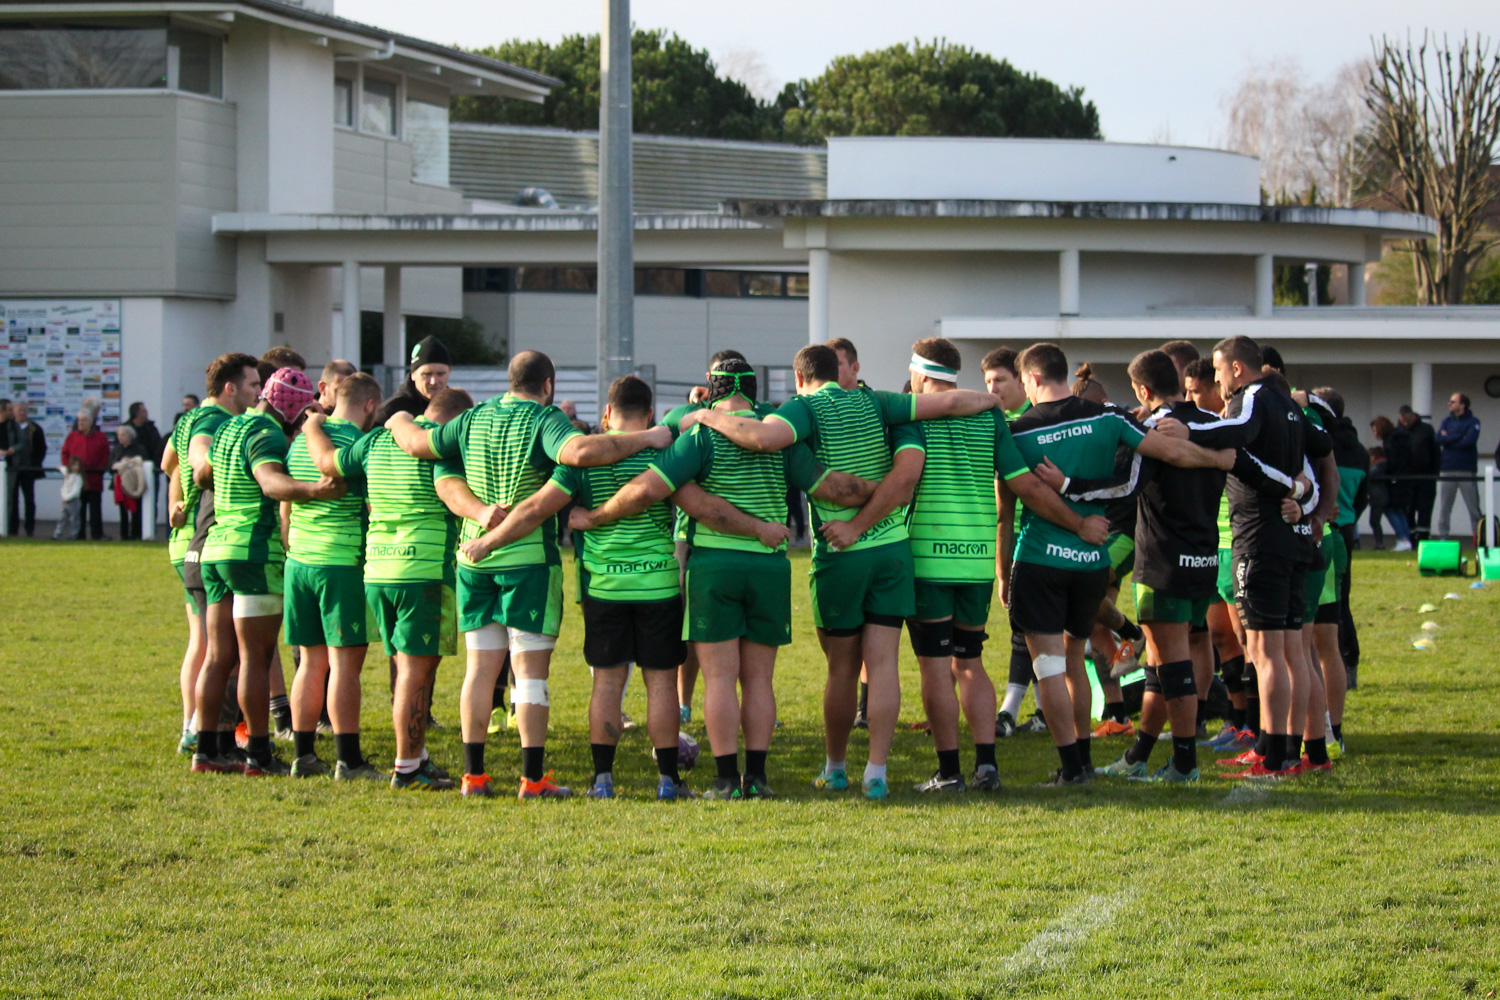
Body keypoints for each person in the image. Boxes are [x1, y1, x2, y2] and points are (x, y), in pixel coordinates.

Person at [688, 344, 1004, 800]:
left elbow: (762, 439)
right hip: (894, 550)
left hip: (841, 552)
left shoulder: (803, 407)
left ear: (800, 379)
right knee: (883, 665)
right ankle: (877, 773)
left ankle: (836, 768)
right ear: (841, 371)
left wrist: (706, 417)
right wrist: (994, 398)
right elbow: (954, 400)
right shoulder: (877, 400)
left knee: (842, 669)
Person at [569, 358, 874, 799]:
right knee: (759, 680)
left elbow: (649, 490)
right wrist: (883, 490)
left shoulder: (700, 434)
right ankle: (759, 778)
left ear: (710, 390)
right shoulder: (778, 434)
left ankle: (727, 779)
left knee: (717, 679)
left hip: (714, 567)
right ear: (753, 389)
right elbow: (831, 487)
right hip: (769, 567)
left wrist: (595, 516)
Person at [387, 350, 673, 799]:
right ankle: (532, 779)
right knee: (530, 675)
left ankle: (474, 776)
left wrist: (398, 419)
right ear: (548, 386)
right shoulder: (544, 419)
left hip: (473, 563)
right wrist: (650, 437)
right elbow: (578, 452)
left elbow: (419, 446)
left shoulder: (472, 418)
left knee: (480, 671)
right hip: (526, 564)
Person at [460, 376, 726, 800]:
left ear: (606, 414)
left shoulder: (583, 462)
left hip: (604, 588)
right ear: (650, 415)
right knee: (660, 683)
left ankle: (602, 780)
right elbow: (698, 504)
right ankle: (667, 781)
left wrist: (488, 539)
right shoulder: (665, 452)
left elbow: (534, 508)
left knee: (606, 682)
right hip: (657, 586)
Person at [865, 338, 1111, 793]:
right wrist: (1079, 524)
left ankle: (948, 773)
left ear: (919, 374)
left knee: (936, 668)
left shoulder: (909, 415)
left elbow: (901, 480)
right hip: (976, 560)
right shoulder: (989, 415)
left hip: (928, 558)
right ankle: (986, 767)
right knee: (970, 663)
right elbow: (1028, 488)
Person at [1002, 342, 1231, 786]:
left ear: (1030, 379)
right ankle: (1120, 754)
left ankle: (1093, 765)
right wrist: (1221, 458)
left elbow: (1015, 505)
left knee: (1066, 664)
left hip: (1076, 557)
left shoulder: (1020, 431)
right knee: (1091, 653)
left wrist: (1002, 570)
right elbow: (1183, 453)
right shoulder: (1122, 418)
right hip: (1138, 559)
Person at [1176, 336, 1332, 779]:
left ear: (1237, 369)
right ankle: (1283, 749)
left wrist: (1188, 430)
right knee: (1289, 653)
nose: (1219, 380)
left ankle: (1275, 755)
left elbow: (1237, 433)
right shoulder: (1287, 403)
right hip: (1293, 539)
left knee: (1266, 654)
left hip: (1261, 540)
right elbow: (1321, 443)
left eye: (1220, 371)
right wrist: (1302, 493)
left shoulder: (1254, 397)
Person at [303, 388, 472, 791]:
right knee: (416, 672)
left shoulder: (375, 440)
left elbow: (326, 462)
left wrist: (311, 424)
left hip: (378, 568)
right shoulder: (444, 444)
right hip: (424, 569)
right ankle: (408, 767)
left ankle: (419, 757)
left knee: (408, 668)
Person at [1085, 351, 1230, 783]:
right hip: (1204, 554)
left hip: (1164, 559)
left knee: (1170, 665)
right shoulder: (1208, 421)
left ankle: (1185, 762)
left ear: (1143, 391)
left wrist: (1068, 486)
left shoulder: (1152, 429)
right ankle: (1140, 754)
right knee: (1160, 663)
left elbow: (1122, 484)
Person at [190, 367, 342, 777]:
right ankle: (259, 754)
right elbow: (271, 482)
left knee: (219, 655)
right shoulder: (268, 435)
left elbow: (201, 474)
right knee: (254, 658)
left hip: (215, 548)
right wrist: (315, 489)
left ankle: (206, 751)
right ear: (291, 412)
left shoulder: (230, 427)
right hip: (253, 552)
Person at [659, 348, 773, 727]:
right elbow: (673, 420)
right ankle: (683, 701)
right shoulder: (693, 418)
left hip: (728, 547)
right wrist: (702, 409)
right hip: (692, 538)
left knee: (725, 642)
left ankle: (743, 707)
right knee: (691, 630)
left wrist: (708, 413)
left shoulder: (751, 418)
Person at [280, 372, 383, 779]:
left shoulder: (300, 444)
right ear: (371, 405)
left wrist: (294, 547)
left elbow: (287, 506)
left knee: (310, 663)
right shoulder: (359, 446)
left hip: (299, 562)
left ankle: (303, 755)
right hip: (340, 564)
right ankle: (349, 760)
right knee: (344, 666)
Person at [161, 354, 255, 755]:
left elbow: (168, 462)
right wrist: (203, 476)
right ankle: (198, 728)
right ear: (230, 388)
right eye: (252, 384)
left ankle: (194, 727)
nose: (257, 392)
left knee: (203, 641)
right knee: (210, 644)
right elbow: (194, 461)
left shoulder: (190, 417)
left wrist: (177, 497)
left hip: (186, 536)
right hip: (203, 537)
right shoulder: (214, 422)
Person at [60, 400, 110, 540]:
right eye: (79, 420)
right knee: (78, 509)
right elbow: (65, 453)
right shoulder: (72, 437)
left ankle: (97, 534)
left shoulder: (100, 437)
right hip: (77, 480)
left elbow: (105, 454)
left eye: (83, 420)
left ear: (90, 421)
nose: (80, 423)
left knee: (95, 508)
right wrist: (70, 469)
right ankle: (78, 533)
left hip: (94, 478)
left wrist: (100, 468)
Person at [1435, 392, 1482, 541]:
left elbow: (1469, 441)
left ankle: (1478, 537)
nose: (1449, 404)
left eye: (1453, 401)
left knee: (1473, 506)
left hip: (1466, 469)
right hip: (1447, 468)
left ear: (1462, 405)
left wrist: (1449, 439)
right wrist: (1457, 436)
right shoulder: (1446, 422)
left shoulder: (1473, 421)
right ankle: (1443, 536)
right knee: (1445, 507)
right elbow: (1439, 439)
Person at [375, 335, 451, 424]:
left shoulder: (458, 408)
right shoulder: (392, 411)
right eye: (427, 374)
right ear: (413, 374)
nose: (434, 381)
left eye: (440, 374)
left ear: (449, 372)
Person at [1371, 416, 1413, 551]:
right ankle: (1406, 538)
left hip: (1395, 479)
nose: (1375, 433)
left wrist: (1384, 470)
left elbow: (1393, 462)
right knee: (1400, 510)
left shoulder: (1390, 442)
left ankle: (1403, 539)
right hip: (1405, 478)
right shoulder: (1402, 437)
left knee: (1391, 509)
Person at [5, 401, 46, 537]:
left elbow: (41, 449)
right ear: (13, 412)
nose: (22, 413)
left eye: (24, 410)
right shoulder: (7, 427)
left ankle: (30, 529)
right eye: (19, 410)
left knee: (29, 499)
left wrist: (35, 464)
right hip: (12, 469)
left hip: (28, 469)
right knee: (12, 500)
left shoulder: (35, 428)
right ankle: (12, 529)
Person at [1400, 405, 1440, 542]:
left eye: (1408, 420)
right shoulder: (1399, 431)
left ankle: (1423, 537)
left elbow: (1436, 452)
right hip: (1406, 479)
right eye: (1403, 421)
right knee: (1408, 509)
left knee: (1424, 509)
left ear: (1413, 416)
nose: (1406, 424)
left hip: (1426, 477)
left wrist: (1435, 474)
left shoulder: (1426, 430)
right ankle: (1411, 537)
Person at [108, 424, 148, 540]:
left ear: (131, 436)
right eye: (119, 435)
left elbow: (143, 463)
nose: (120, 437)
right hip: (120, 484)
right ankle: (124, 534)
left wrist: (130, 462)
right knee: (123, 510)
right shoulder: (116, 449)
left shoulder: (139, 449)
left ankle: (136, 533)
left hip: (134, 483)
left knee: (136, 509)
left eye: (123, 435)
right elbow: (110, 465)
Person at [53, 455, 84, 540]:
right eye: (73, 465)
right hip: (65, 501)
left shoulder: (78, 478)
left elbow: (76, 491)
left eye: (77, 465)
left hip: (73, 501)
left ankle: (73, 535)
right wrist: (60, 468)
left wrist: (66, 498)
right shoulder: (68, 475)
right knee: (62, 519)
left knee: (75, 519)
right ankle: (57, 535)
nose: (75, 467)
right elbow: (64, 471)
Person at [1367, 446, 1390, 550]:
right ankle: (1379, 543)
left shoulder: (1379, 466)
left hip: (1378, 498)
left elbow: (1370, 474)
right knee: (1375, 521)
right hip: (1378, 497)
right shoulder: (1381, 465)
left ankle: (1379, 543)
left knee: (1374, 521)